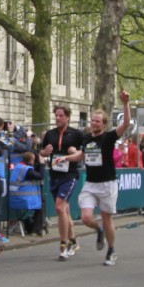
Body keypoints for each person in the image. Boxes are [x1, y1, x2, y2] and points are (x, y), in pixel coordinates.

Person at [78, 90, 132, 265]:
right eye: (92, 120)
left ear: (104, 124)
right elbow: (82, 155)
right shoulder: (86, 139)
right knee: (86, 217)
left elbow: (126, 124)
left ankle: (111, 250)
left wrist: (126, 103)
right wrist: (66, 158)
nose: (94, 123)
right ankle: (98, 229)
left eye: (97, 121)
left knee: (107, 218)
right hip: (90, 184)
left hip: (107, 183)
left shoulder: (108, 137)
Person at [40, 106, 86, 260]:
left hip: (70, 175)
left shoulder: (77, 134)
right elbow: (41, 152)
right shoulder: (50, 134)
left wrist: (75, 152)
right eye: (56, 115)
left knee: (60, 207)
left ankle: (63, 245)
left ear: (68, 117)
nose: (58, 118)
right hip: (54, 175)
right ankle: (73, 241)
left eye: (61, 115)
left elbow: (86, 153)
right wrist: (45, 152)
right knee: (64, 210)